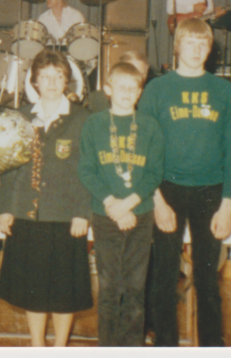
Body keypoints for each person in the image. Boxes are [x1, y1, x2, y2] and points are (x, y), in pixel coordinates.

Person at [140, 18, 231, 347]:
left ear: (210, 49)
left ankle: (212, 347)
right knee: (164, 277)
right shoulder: (157, 88)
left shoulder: (223, 90)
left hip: (210, 193)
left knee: (207, 280)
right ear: (177, 46)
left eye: (203, 44)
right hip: (166, 190)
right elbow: (145, 149)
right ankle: (166, 346)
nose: (196, 50)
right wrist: (157, 201)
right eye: (190, 43)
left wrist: (227, 205)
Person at [0, 50, 93, 347]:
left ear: (67, 80)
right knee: (33, 290)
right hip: (29, 214)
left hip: (66, 217)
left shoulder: (83, 118)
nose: (52, 82)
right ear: (35, 81)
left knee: (64, 293)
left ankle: (60, 347)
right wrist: (5, 209)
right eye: (45, 76)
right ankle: (38, 347)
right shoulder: (21, 116)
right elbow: (11, 167)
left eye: (58, 76)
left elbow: (89, 169)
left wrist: (82, 212)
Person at [78, 62, 164, 347]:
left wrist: (129, 203)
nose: (127, 92)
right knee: (109, 286)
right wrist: (113, 204)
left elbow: (155, 172)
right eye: (121, 87)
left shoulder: (150, 126)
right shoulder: (94, 124)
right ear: (108, 88)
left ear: (140, 92)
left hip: (140, 214)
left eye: (133, 88)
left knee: (135, 287)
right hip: (106, 215)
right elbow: (86, 170)